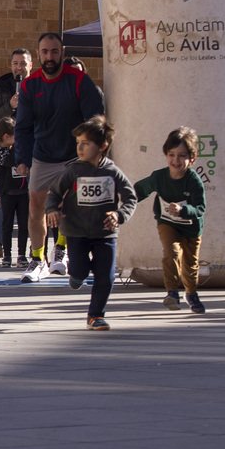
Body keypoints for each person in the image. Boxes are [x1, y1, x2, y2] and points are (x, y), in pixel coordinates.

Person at [15, 32, 104, 283]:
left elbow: (95, 121)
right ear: (39, 55)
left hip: (74, 157)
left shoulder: (79, 81)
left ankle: (62, 251)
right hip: (43, 155)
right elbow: (22, 126)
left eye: (54, 52)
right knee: (36, 208)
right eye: (44, 52)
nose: (50, 57)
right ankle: (36, 259)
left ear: (62, 53)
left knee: (67, 206)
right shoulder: (30, 85)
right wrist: (22, 157)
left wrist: (91, 156)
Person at [45, 116, 137, 331]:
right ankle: (78, 274)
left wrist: (119, 214)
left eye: (86, 143)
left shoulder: (112, 172)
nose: (80, 147)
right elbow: (54, 192)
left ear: (103, 146)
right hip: (76, 231)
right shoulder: (73, 170)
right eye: (78, 143)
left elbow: (130, 198)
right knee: (79, 270)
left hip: (105, 232)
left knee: (106, 276)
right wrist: (52, 210)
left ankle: (96, 315)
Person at [134, 127, 208, 314]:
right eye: (171, 154)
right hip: (167, 223)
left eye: (182, 156)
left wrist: (183, 210)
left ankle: (191, 293)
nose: (176, 160)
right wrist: (125, 200)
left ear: (192, 157)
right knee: (171, 252)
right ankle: (172, 293)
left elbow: (200, 208)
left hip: (191, 227)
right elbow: (140, 189)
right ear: (166, 155)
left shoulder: (193, 180)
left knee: (190, 265)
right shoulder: (159, 176)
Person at [0, 117, 29, 268]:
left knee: (24, 225)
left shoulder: (14, 148)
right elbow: (12, 161)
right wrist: (20, 148)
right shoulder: (0, 151)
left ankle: (22, 254)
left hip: (23, 191)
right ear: (6, 137)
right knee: (7, 224)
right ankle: (8, 254)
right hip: (8, 192)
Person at [0, 48, 32, 132]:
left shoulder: (39, 88)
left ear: (30, 65)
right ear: (11, 65)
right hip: (7, 140)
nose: (19, 67)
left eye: (23, 63)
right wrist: (10, 106)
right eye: (15, 63)